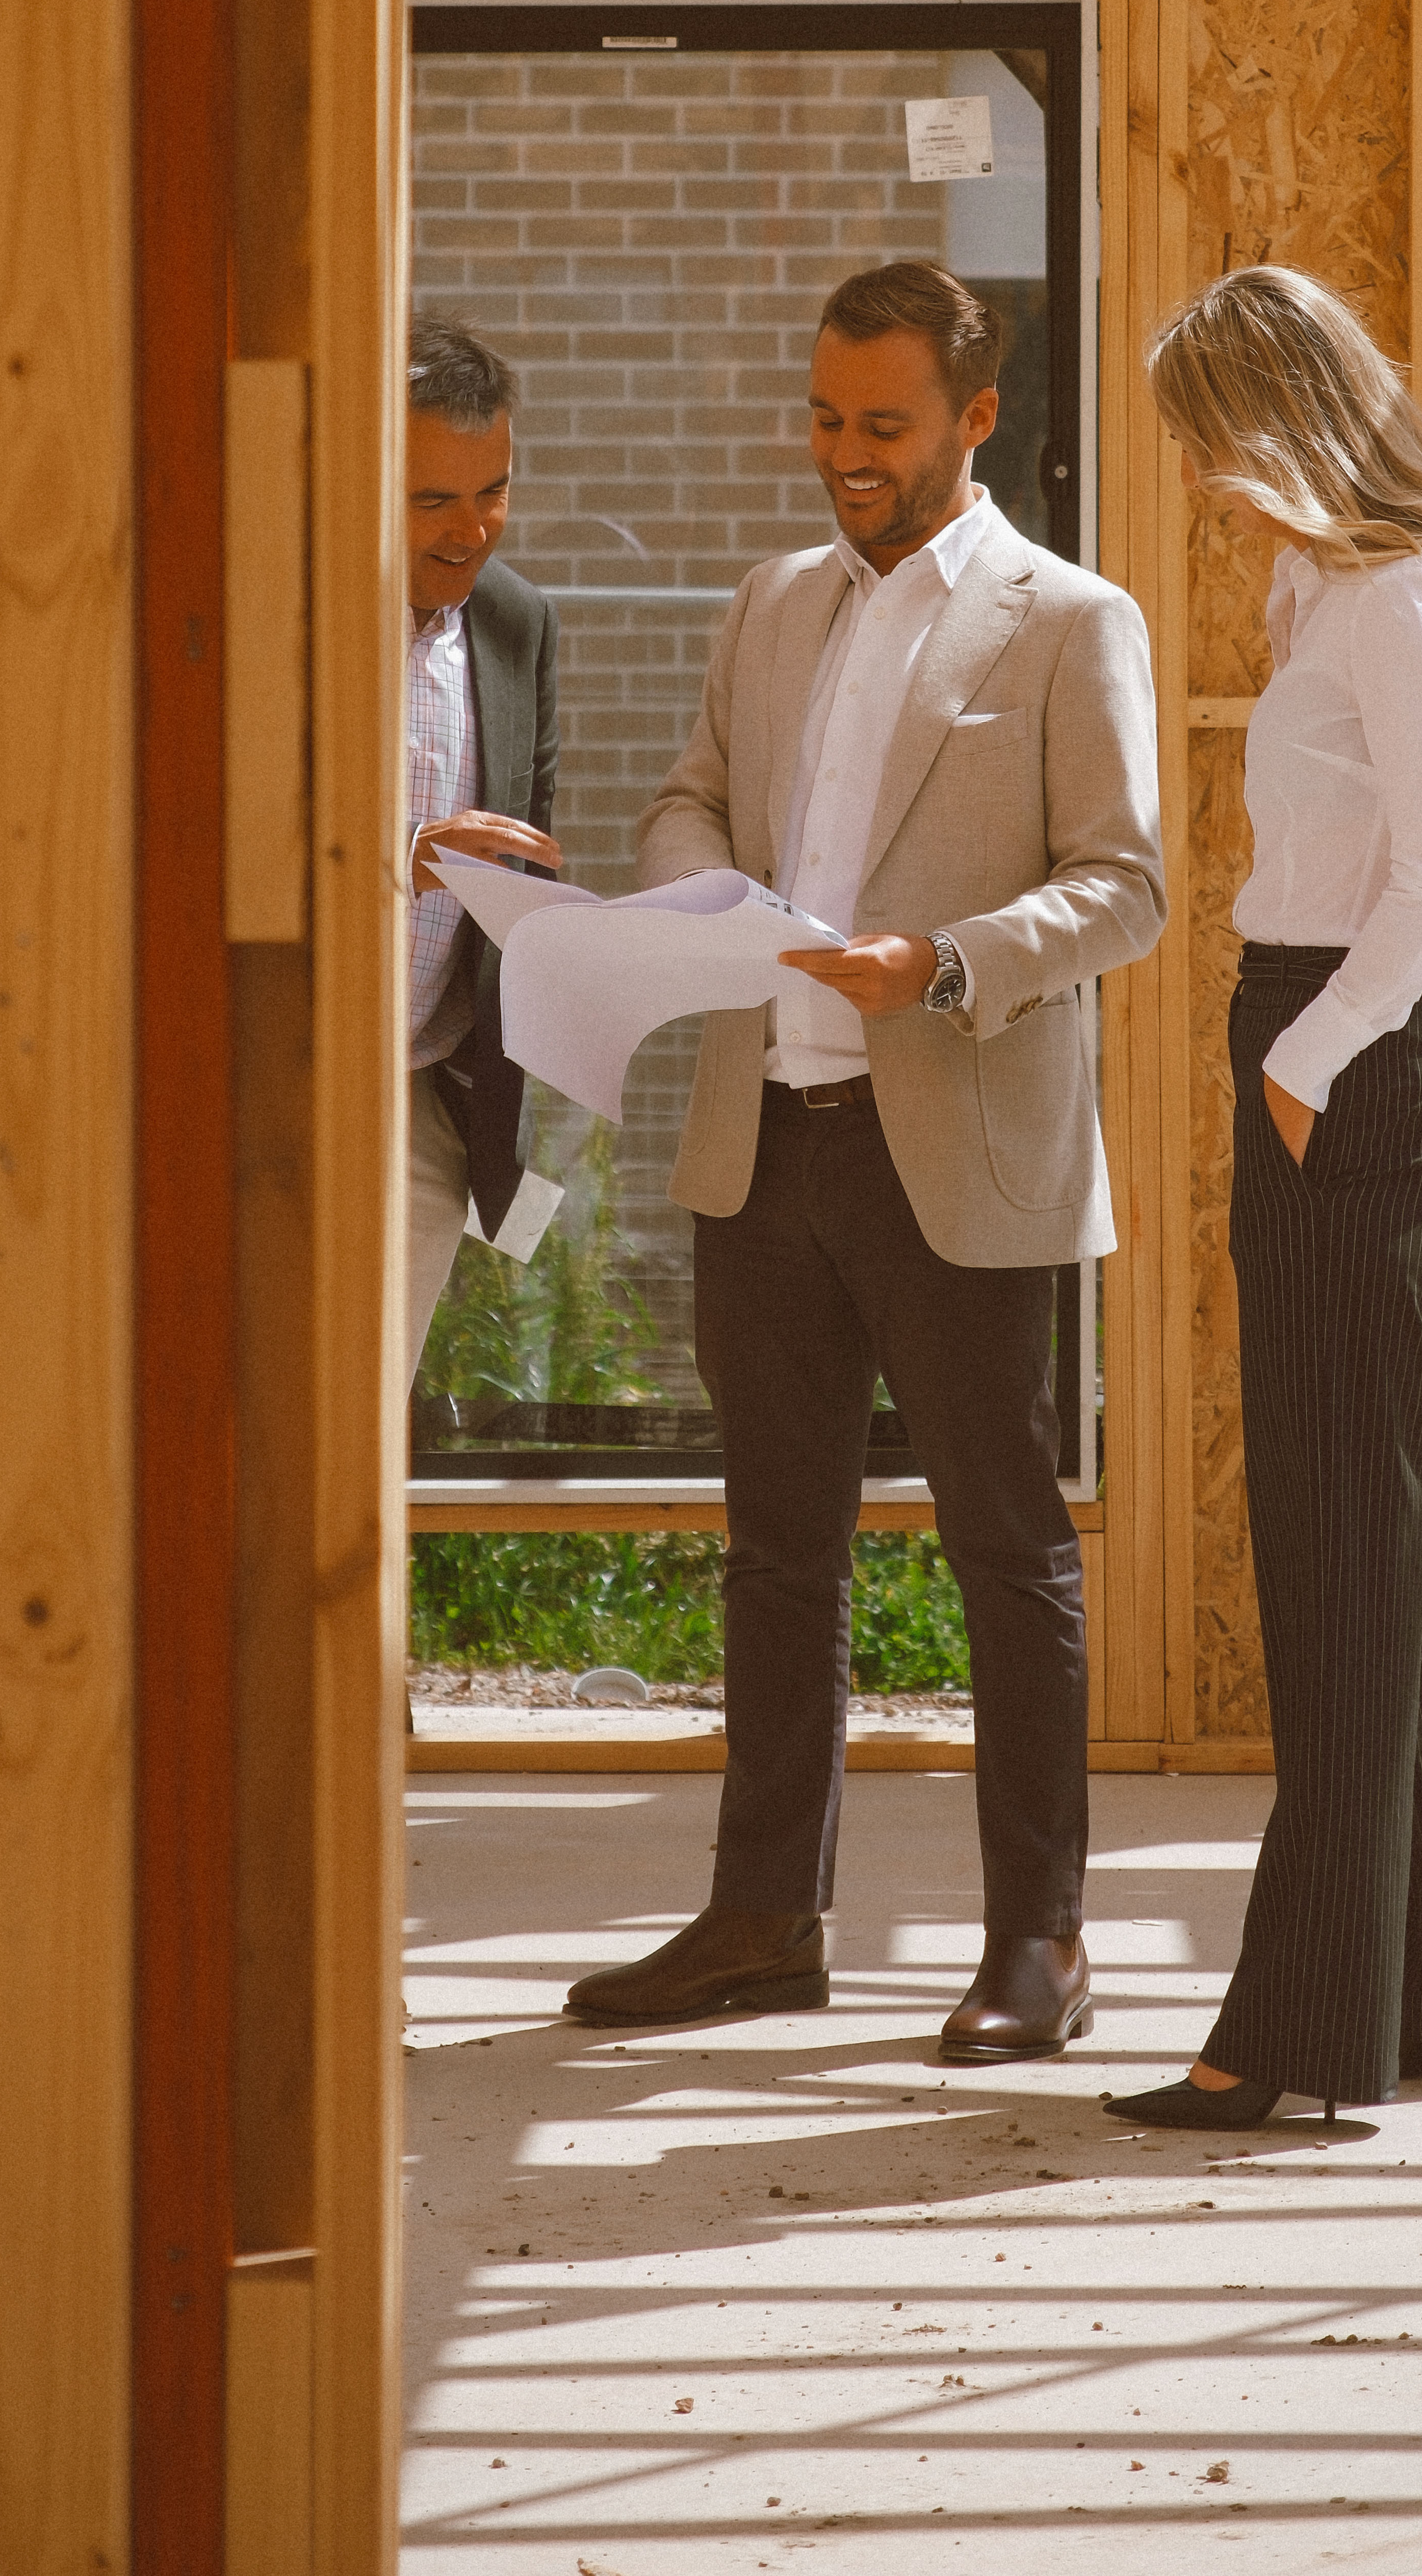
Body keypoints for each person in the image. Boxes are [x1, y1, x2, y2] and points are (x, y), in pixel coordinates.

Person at [564, 262, 1164, 2061]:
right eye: (826, 417)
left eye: (882, 425)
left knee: (1005, 1548)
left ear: (976, 420)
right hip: (769, 1145)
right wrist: (697, 884)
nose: (844, 453)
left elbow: (1126, 883)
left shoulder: (1071, 619)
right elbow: (689, 789)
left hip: (956, 1143)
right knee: (777, 1553)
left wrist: (945, 960)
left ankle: (1042, 1938)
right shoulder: (768, 604)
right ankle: (764, 1915)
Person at [1102, 264, 1422, 2129]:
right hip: (1295, 1039)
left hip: (1344, 1068)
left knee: (1344, 1554)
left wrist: (1304, 1061)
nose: (1201, 477)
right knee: (1376, 1540)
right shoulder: (1319, 587)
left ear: (1287, 415)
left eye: (1212, 437)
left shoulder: (1397, 600)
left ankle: (1294, 2036)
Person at [402, 315, 561, 1376]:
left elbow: (526, 868)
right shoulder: (279, 606)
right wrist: (397, 853)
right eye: (432, 500)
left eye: (491, 491)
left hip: (421, 1115)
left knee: (355, 1452)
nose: (471, 529)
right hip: (263, 1100)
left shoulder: (516, 623)